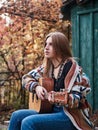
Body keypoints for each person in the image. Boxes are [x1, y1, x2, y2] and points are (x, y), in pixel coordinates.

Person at [8, 32, 94, 130]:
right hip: (50, 109)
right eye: (46, 44)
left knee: (29, 122)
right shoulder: (47, 67)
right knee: (16, 116)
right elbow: (26, 78)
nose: (46, 47)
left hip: (70, 115)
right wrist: (36, 87)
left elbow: (77, 99)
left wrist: (54, 97)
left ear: (61, 47)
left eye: (51, 44)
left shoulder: (74, 70)